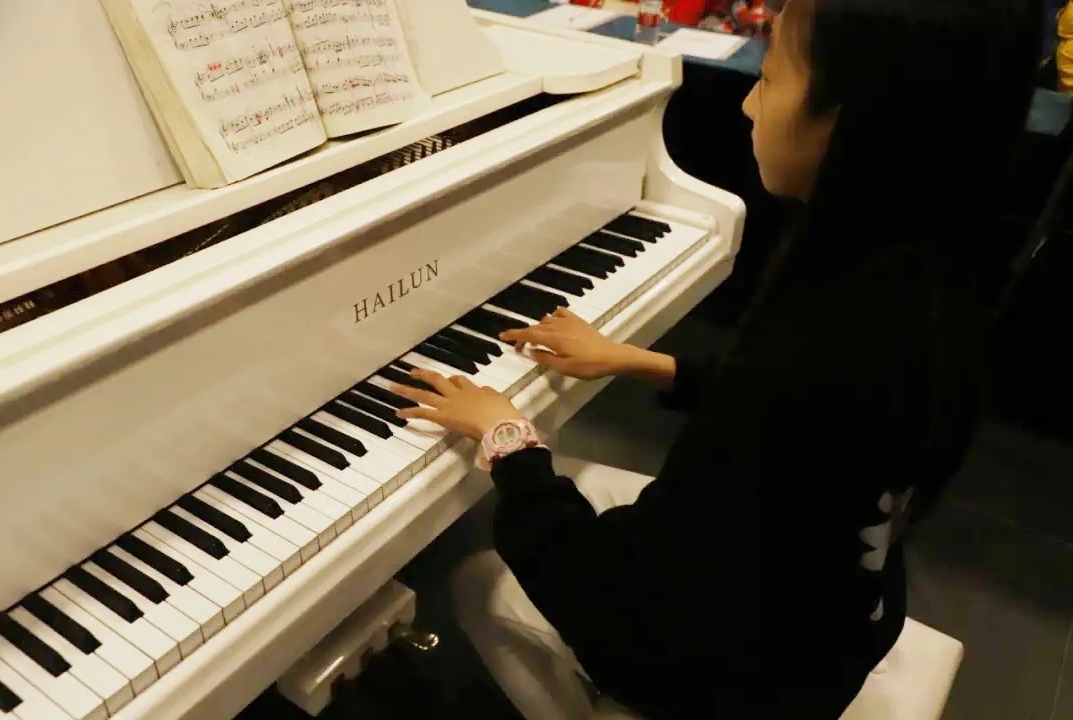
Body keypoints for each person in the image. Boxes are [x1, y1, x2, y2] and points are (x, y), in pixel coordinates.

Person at [390, 0, 1043, 716]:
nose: (747, 103)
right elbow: (794, 411)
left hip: (727, 682)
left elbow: (625, 621)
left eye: (769, 77)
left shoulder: (833, 342)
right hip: (839, 628)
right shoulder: (924, 296)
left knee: (476, 575)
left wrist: (508, 441)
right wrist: (639, 361)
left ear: (857, 120)